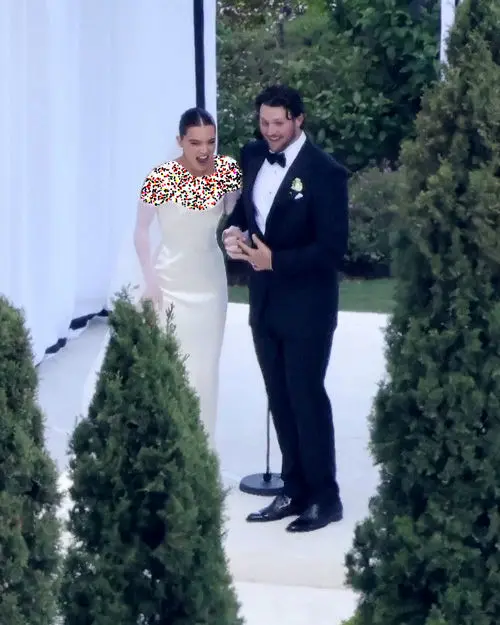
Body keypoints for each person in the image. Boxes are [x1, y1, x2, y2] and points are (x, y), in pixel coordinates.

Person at [222, 85, 349, 533]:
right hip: (265, 302)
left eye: (279, 123)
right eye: (264, 122)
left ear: (299, 120)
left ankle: (325, 497)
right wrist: (231, 235)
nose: (271, 131)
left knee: (306, 396)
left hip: (308, 306)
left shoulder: (326, 173)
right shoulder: (253, 154)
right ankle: (293, 488)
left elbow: (332, 250)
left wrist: (276, 260)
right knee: (279, 396)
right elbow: (247, 215)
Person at [134, 107, 242, 447]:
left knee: (205, 370)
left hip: (210, 283)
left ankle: (201, 451)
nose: (204, 150)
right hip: (169, 282)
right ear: (180, 141)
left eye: (211, 142)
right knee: (171, 366)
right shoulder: (160, 177)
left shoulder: (226, 172)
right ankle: (167, 448)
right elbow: (141, 231)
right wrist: (150, 281)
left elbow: (237, 215)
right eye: (195, 142)